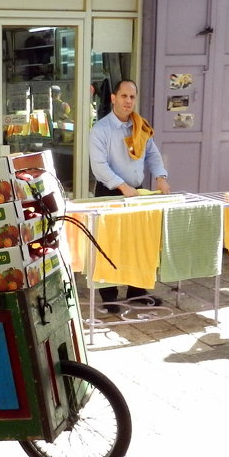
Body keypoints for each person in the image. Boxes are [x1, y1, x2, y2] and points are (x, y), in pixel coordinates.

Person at [88, 78, 170, 313]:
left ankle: (136, 292)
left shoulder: (139, 125)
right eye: (124, 96)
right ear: (113, 98)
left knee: (138, 243)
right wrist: (122, 187)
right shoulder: (101, 130)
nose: (128, 101)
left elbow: (152, 154)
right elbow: (99, 167)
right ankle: (109, 297)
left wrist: (160, 176)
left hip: (137, 192)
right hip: (110, 192)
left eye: (132, 97)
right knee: (110, 247)